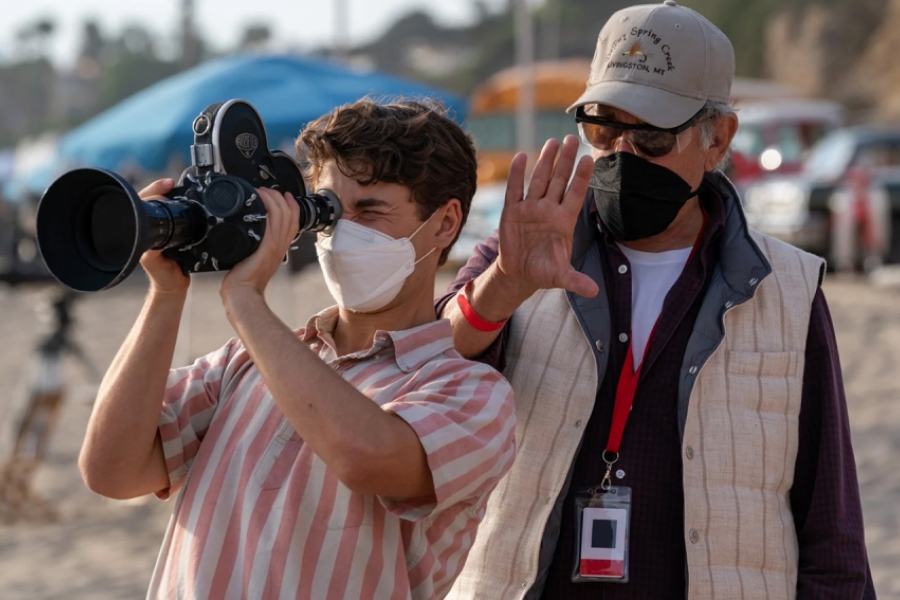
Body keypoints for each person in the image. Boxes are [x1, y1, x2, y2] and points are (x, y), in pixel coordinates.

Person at [438, 2, 875, 599]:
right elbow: (431, 368)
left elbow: (831, 524)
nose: (622, 153)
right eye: (602, 129)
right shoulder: (522, 249)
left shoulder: (789, 287)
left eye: (649, 136)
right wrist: (504, 287)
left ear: (717, 136)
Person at [78, 99, 516, 600]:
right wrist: (166, 292)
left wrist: (245, 299)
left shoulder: (473, 393)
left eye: (370, 210)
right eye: (328, 209)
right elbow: (110, 470)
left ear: (444, 223)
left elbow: (367, 460)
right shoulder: (242, 364)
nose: (344, 230)